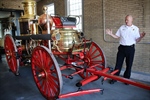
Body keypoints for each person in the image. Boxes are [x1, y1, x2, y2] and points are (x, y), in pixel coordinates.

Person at [106, 15, 146, 84]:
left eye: (127, 20)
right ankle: (115, 78)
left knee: (129, 65)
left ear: (132, 20)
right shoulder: (122, 27)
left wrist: (141, 37)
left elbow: (137, 40)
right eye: (125, 19)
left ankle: (126, 79)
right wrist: (111, 34)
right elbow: (117, 36)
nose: (126, 21)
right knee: (118, 64)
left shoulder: (136, 28)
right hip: (121, 48)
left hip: (130, 49)